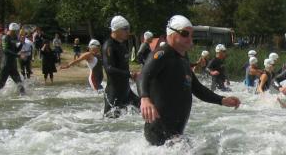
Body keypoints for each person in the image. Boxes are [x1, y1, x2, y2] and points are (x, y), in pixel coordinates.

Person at [139, 15, 241, 146]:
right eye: (185, 34)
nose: (189, 38)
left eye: (191, 34)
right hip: (158, 132)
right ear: (171, 34)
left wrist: (222, 100)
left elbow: (197, 88)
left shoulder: (183, 58)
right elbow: (143, 76)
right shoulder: (162, 54)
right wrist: (145, 98)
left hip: (175, 134)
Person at [102, 15, 141, 116]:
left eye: (128, 28)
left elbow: (123, 66)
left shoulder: (122, 45)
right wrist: (129, 74)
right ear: (116, 29)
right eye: (125, 29)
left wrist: (132, 75)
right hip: (114, 94)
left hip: (126, 92)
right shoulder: (109, 46)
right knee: (110, 123)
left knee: (147, 110)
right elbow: (109, 68)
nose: (128, 31)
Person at [0, 23, 26, 95]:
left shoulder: (14, 38)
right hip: (5, 65)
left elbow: (15, 50)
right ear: (12, 30)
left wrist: (21, 43)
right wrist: (18, 56)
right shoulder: (5, 37)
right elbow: (6, 50)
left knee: (20, 84)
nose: (17, 32)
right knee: (1, 85)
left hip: (13, 65)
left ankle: (25, 98)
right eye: (16, 31)